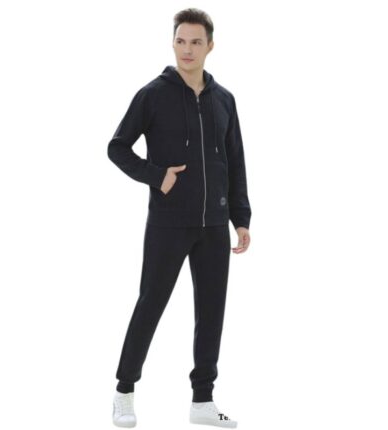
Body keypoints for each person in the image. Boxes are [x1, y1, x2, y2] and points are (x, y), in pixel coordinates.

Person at [107, 8, 251, 428]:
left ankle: (202, 400)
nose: (187, 49)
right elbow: (117, 147)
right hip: (168, 223)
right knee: (150, 304)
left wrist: (240, 217)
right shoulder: (153, 94)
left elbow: (235, 162)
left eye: (196, 42)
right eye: (181, 41)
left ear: (210, 46)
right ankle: (124, 390)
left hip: (213, 225)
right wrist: (158, 177)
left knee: (211, 311)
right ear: (173, 43)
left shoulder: (224, 100)